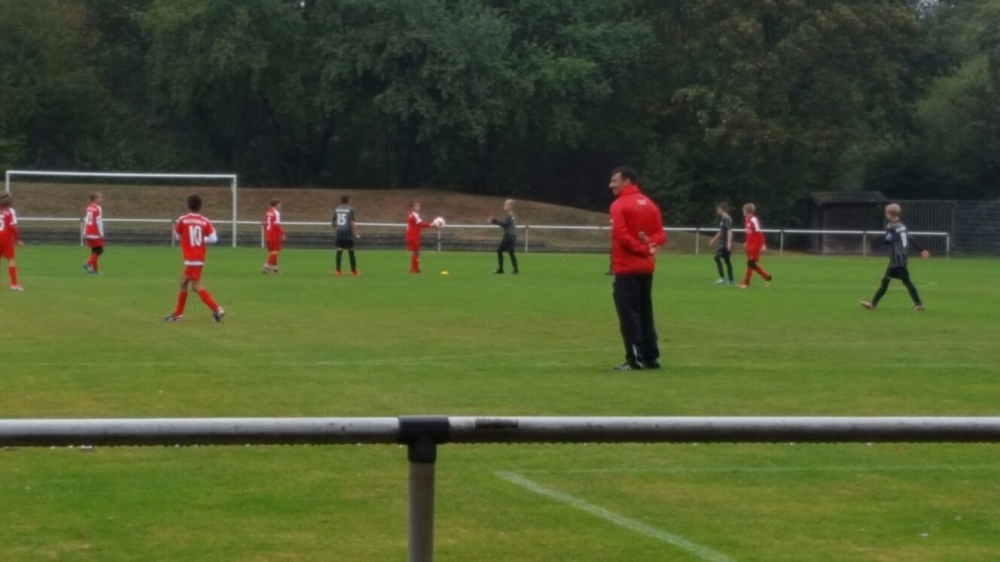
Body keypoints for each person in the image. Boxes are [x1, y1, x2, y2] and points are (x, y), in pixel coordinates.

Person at [608, 166, 667, 371]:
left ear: (627, 181)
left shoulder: (619, 205)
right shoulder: (650, 204)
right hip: (646, 268)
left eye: (615, 181)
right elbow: (661, 234)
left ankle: (635, 359)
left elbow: (620, 235)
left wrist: (641, 248)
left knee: (629, 314)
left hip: (626, 267)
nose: (611, 185)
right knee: (645, 312)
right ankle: (650, 356)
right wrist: (649, 245)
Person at [165, 195, 225, 322]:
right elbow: (214, 239)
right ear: (200, 206)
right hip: (199, 257)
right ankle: (178, 314)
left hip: (190, 257)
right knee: (183, 282)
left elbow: (177, 236)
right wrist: (201, 240)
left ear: (188, 205)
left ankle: (217, 309)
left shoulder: (183, 220)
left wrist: (188, 239)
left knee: (196, 286)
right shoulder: (205, 221)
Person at [860, 203, 930, 312]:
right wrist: (921, 250)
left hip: (897, 260)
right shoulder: (901, 226)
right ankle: (873, 304)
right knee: (892, 281)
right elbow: (910, 238)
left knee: (897, 281)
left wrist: (880, 238)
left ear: (889, 214)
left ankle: (918, 304)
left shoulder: (892, 227)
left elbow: (887, 241)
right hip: (901, 258)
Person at [738, 203, 773, 288]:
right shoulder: (747, 220)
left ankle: (746, 283)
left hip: (755, 245)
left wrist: (763, 244)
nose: (743, 212)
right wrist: (746, 242)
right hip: (750, 245)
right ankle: (767, 277)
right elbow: (750, 233)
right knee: (752, 264)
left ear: (747, 211)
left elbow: (759, 232)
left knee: (750, 263)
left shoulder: (754, 220)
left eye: (744, 210)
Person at [0, 193, 24, 291]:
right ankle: (14, 285)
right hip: (6, 238)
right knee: (11, 260)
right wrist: (18, 239)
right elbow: (12, 226)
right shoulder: (10, 211)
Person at [489, 199, 519, 274]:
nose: (504, 206)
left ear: (510, 206)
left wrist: (495, 221)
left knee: (499, 251)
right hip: (513, 235)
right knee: (511, 253)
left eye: (505, 205)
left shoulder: (509, 215)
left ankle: (501, 269)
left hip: (509, 235)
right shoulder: (513, 215)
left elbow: (505, 225)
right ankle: (515, 270)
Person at [406, 201, 437, 274]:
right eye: (417, 206)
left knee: (415, 252)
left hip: (411, 235)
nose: (418, 208)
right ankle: (415, 269)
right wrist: (431, 224)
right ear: (413, 207)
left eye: (419, 206)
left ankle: (413, 269)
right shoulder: (414, 215)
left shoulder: (411, 215)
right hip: (413, 236)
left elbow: (417, 225)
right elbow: (420, 224)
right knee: (416, 252)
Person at [708, 202, 734, 285]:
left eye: (718, 209)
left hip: (725, 242)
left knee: (717, 258)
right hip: (724, 242)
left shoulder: (726, 218)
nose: (717, 211)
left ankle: (723, 279)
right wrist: (714, 239)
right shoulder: (724, 218)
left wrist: (729, 242)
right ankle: (731, 280)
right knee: (727, 260)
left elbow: (729, 230)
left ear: (721, 209)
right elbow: (721, 231)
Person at [334, 195, 360, 276]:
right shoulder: (350, 209)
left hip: (339, 232)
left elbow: (334, 222)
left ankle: (338, 271)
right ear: (348, 201)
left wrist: (337, 228)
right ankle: (353, 271)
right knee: (351, 251)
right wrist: (356, 233)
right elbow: (351, 222)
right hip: (347, 232)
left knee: (339, 250)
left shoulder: (337, 209)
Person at [82, 192, 105, 275]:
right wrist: (101, 233)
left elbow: (86, 220)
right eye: (100, 198)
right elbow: (99, 221)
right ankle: (88, 263)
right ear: (95, 199)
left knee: (94, 250)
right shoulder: (98, 208)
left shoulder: (88, 207)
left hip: (88, 231)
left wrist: (84, 232)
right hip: (95, 232)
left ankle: (95, 270)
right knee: (100, 250)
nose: (101, 199)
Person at [261, 198, 284, 274]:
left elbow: (264, 223)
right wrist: (282, 233)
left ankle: (275, 269)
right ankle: (266, 266)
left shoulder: (268, 212)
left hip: (268, 233)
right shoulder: (276, 213)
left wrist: (267, 232)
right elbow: (276, 224)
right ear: (277, 204)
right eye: (280, 204)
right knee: (275, 251)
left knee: (272, 251)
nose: (281, 205)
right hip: (274, 234)